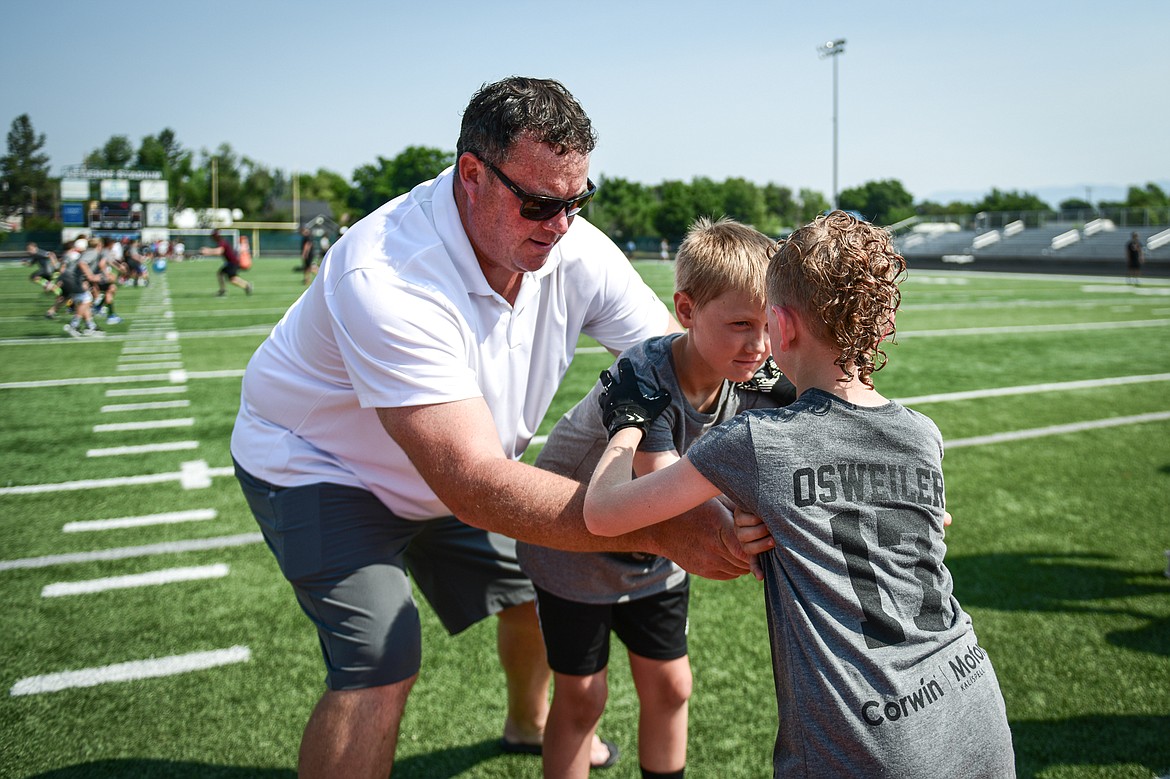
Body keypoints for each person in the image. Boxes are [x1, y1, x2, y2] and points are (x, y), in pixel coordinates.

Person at [229, 76, 752, 778]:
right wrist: (660, 527)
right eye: (539, 202)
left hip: (462, 466)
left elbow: (682, 355)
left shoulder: (573, 246)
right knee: (380, 660)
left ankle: (528, 723)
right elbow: (474, 485)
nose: (561, 225)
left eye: (576, 201)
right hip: (323, 465)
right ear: (471, 174)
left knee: (543, 573)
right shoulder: (385, 274)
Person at [584, 211, 1016, 777]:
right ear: (879, 326)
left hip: (866, 735)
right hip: (973, 702)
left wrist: (627, 421)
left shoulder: (755, 441)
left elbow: (602, 513)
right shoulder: (922, 433)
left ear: (782, 328)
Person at [518, 217, 795, 779]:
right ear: (687, 310)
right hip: (574, 551)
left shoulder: (754, 376)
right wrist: (741, 525)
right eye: (741, 323)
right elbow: (675, 501)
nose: (759, 344)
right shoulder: (644, 376)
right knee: (583, 699)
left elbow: (816, 430)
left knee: (672, 687)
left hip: (653, 555)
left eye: (768, 325)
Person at [202, 229, 253, 296]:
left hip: (232, 263)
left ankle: (246, 285)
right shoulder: (222, 242)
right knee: (224, 275)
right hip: (231, 262)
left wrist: (208, 251)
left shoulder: (222, 242)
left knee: (231, 278)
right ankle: (245, 286)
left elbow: (219, 251)